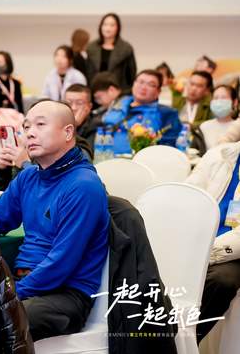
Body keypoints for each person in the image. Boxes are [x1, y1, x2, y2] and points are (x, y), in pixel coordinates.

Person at [0, 100, 109, 341]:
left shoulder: (83, 186)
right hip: (24, 281)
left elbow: (61, 263)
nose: (30, 133)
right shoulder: (29, 176)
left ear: (68, 133)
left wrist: (11, 293)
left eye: (40, 125)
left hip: (65, 293)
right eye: (27, 126)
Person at [185, 140, 240, 342]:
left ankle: (186, 338)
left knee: (221, 281)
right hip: (199, 240)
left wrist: (206, 253)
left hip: (232, 253)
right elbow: (187, 195)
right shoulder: (219, 155)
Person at [102, 69, 182, 155]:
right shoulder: (118, 104)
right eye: (140, 82)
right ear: (133, 84)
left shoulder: (166, 114)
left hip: (135, 160)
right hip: (102, 155)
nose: (143, 87)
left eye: (151, 85)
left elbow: (168, 148)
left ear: (158, 91)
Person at [85, 13, 137, 93]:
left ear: (118, 28)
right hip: (95, 91)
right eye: (105, 24)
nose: (108, 28)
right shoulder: (91, 47)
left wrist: (126, 92)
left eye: (112, 25)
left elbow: (131, 74)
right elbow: (88, 73)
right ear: (101, 26)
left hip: (119, 92)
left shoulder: (126, 48)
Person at [199, 85, 238, 151]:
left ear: (235, 102)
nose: (219, 102)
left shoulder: (237, 127)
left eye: (224, 98)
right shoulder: (204, 126)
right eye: (216, 98)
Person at [64, 84, 100, 150]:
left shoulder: (96, 124)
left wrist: (74, 125)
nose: (73, 108)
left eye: (79, 103)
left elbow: (86, 152)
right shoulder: (59, 121)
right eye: (69, 103)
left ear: (89, 107)